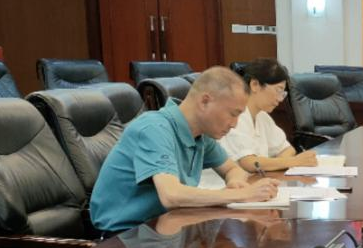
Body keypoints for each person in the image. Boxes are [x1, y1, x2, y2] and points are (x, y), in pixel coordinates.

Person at [90, 66, 279, 233]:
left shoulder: (201, 135)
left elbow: (232, 168)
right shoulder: (154, 128)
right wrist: (241, 195)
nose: (234, 124)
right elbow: (171, 195)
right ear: (205, 101)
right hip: (123, 237)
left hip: (165, 226)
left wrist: (235, 182)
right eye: (232, 114)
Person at [220, 58, 318, 172]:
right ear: (255, 85)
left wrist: (274, 164)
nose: (280, 99)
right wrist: (294, 161)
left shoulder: (263, 116)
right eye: (278, 90)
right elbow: (249, 163)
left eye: (283, 93)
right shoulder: (236, 116)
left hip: (258, 179)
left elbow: (288, 149)